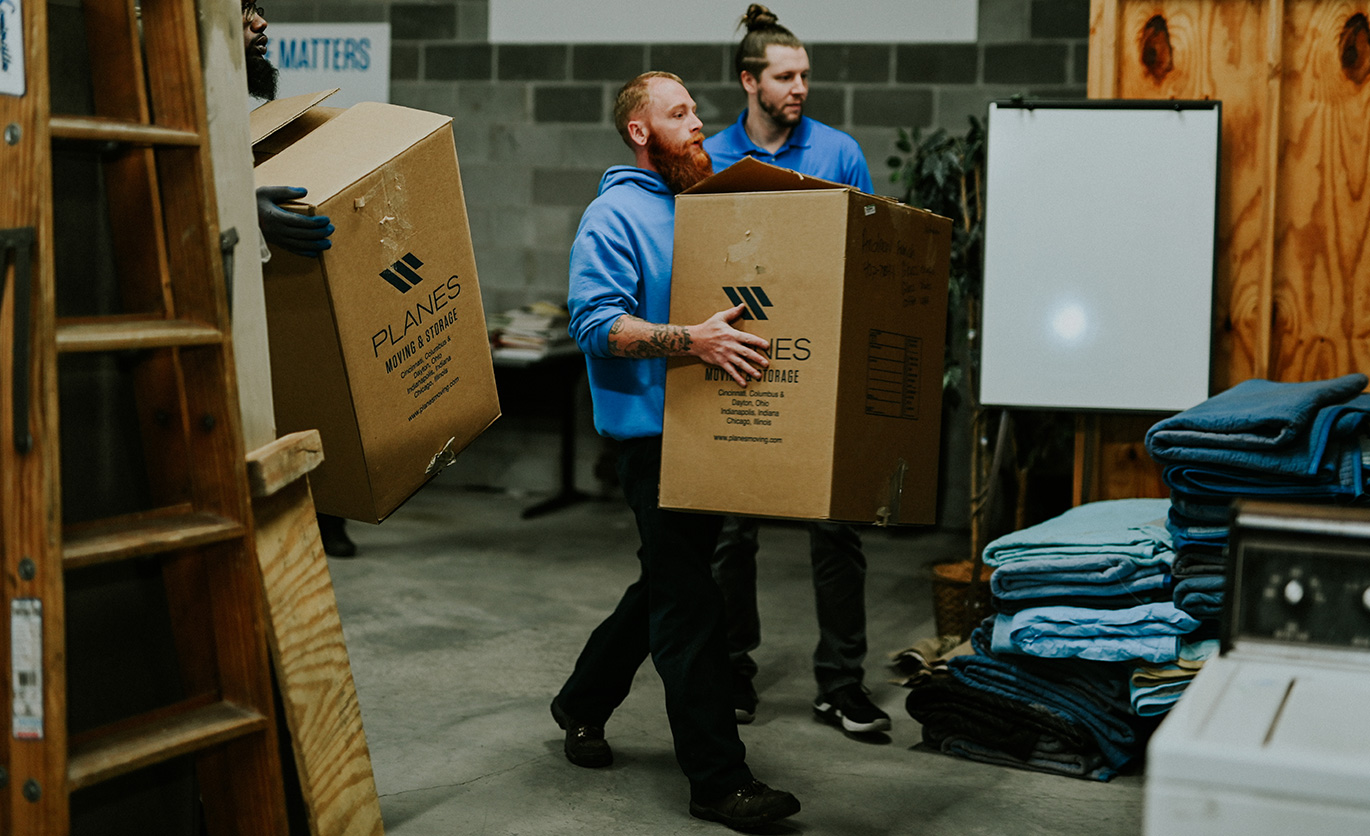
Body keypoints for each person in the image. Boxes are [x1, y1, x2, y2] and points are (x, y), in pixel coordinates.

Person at [553, 71, 800, 830]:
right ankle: (718, 782)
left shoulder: (698, 206)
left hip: (708, 431)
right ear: (639, 130)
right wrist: (690, 342)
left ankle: (582, 701)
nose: (700, 122)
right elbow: (595, 324)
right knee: (692, 606)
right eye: (680, 112)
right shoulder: (613, 215)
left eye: (696, 109)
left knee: (667, 582)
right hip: (653, 443)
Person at [702, 3, 889, 736]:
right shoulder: (712, 156)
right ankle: (734, 675)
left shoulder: (838, 154)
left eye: (806, 75)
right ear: (749, 82)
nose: (800, 87)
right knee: (730, 536)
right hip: (738, 364)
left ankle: (840, 685)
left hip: (820, 370)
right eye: (785, 76)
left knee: (836, 528)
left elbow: (869, 252)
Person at [242, 1, 353, 558]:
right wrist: (240, 210)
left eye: (259, 10)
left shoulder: (245, 116)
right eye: (243, 12)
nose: (260, 24)